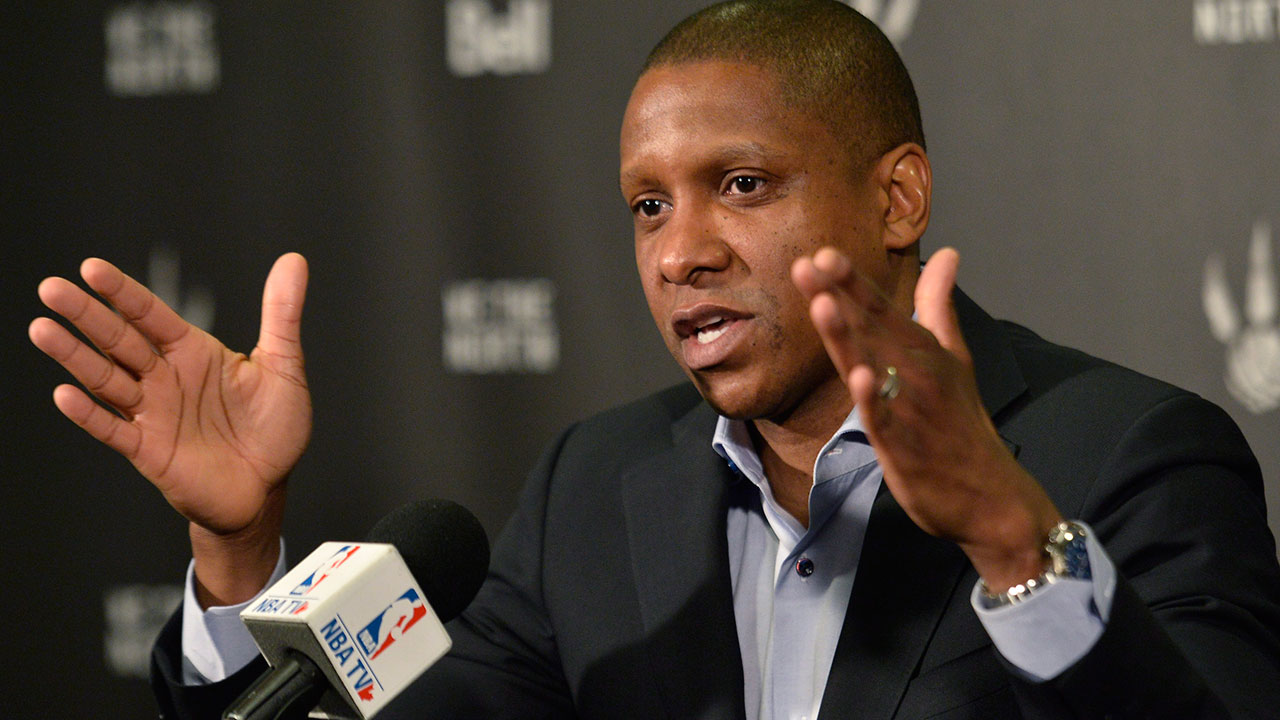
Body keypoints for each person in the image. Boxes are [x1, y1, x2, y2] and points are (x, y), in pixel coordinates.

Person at [29, 1, 1280, 718]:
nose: (681, 252)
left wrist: (1013, 548)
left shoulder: (1123, 453)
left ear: (895, 197)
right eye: (645, 206)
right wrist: (241, 553)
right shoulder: (593, 487)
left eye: (741, 185)